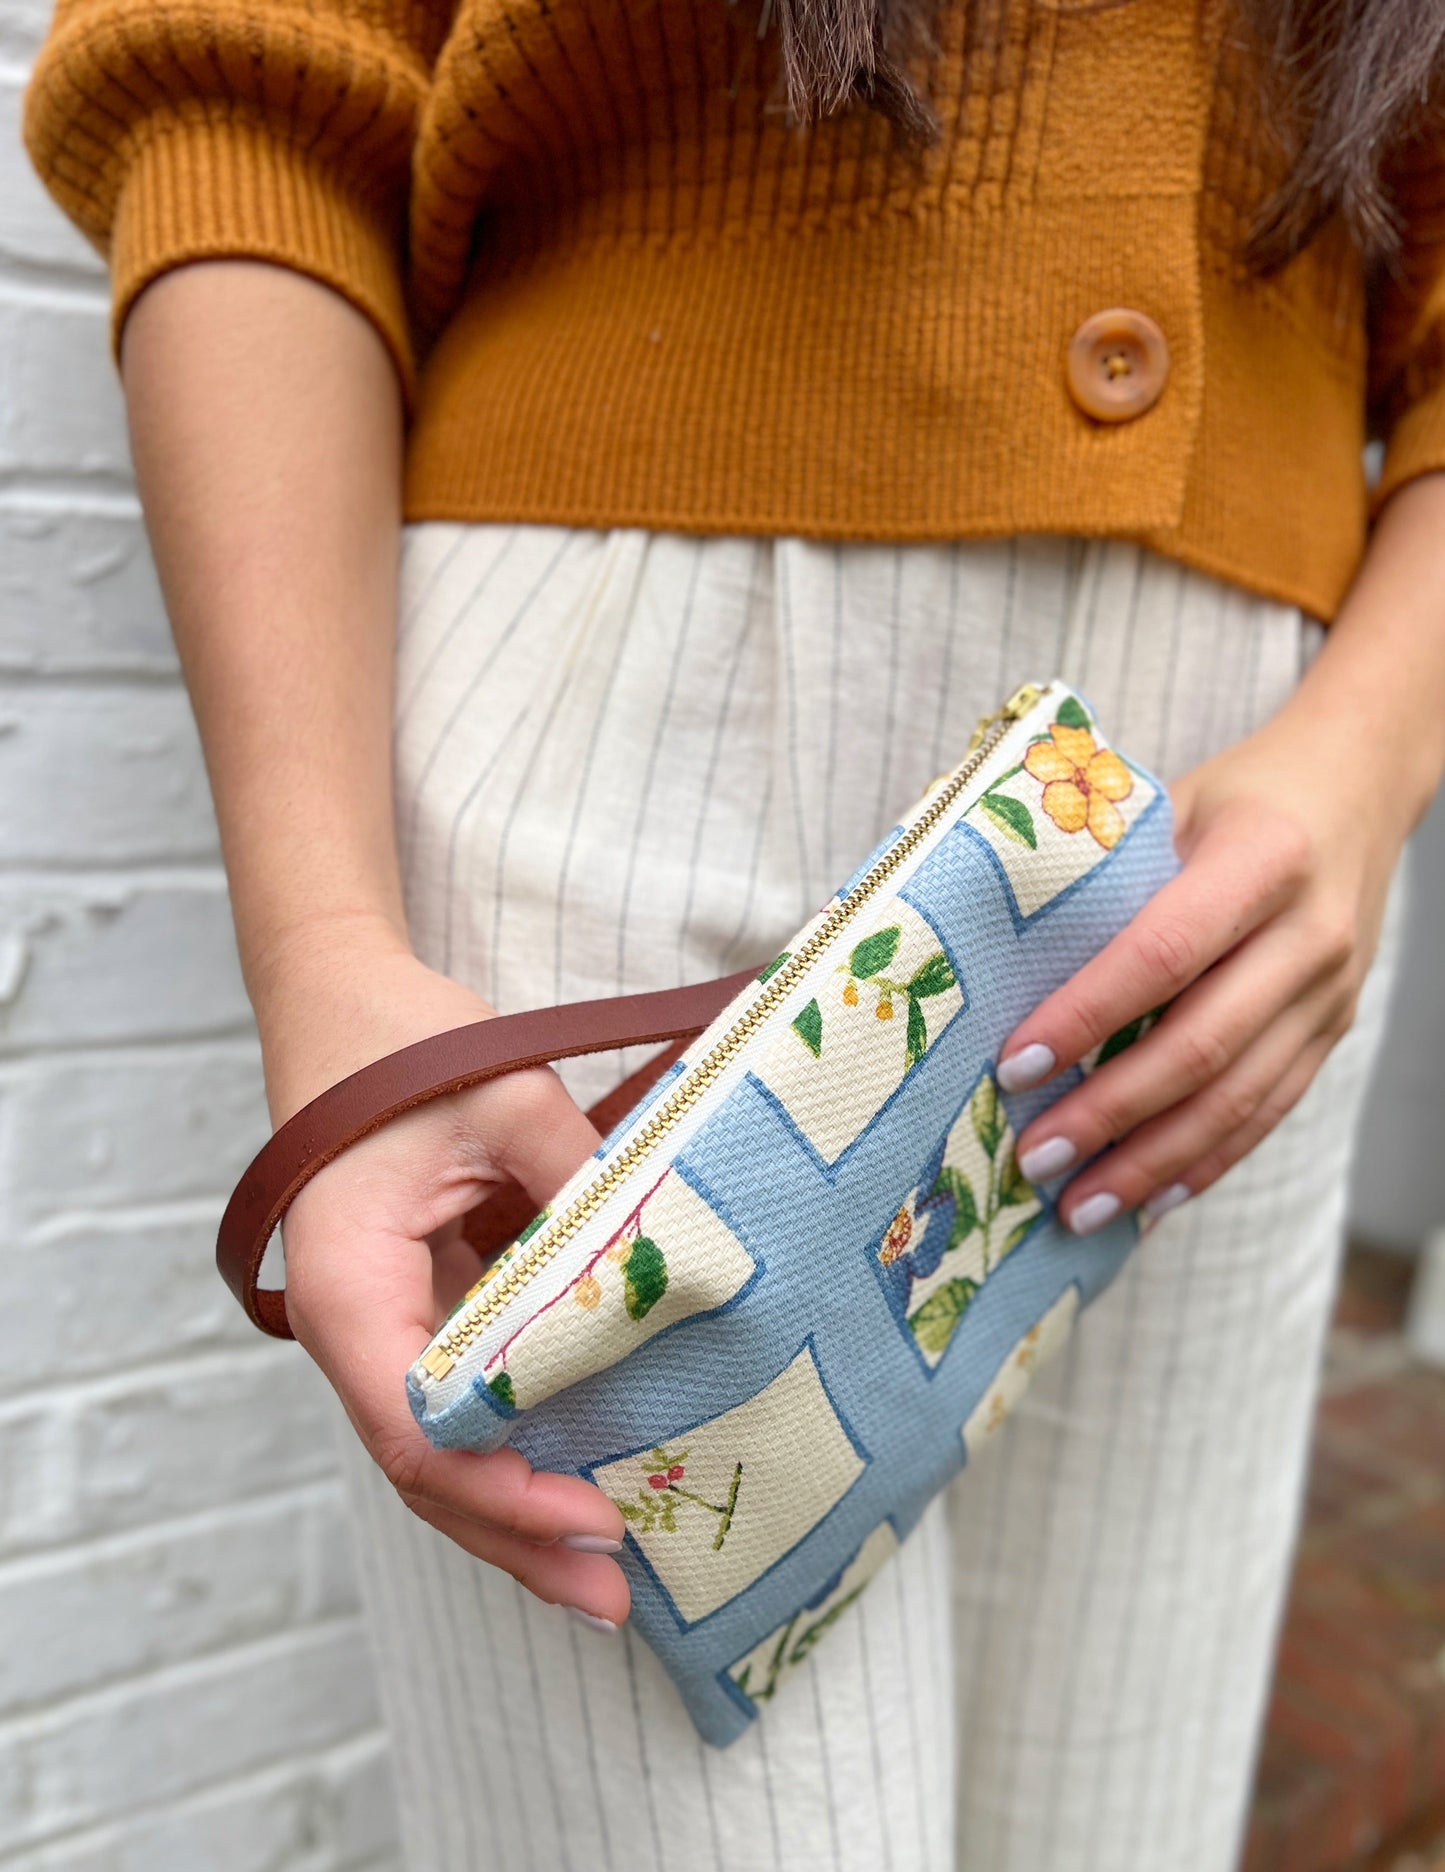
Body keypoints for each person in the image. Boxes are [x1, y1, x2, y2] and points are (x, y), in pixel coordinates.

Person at [24, 0, 1445, 1864]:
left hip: (1232, 876)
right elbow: (243, 77)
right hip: (636, 761)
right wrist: (327, 945)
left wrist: (1369, 759)